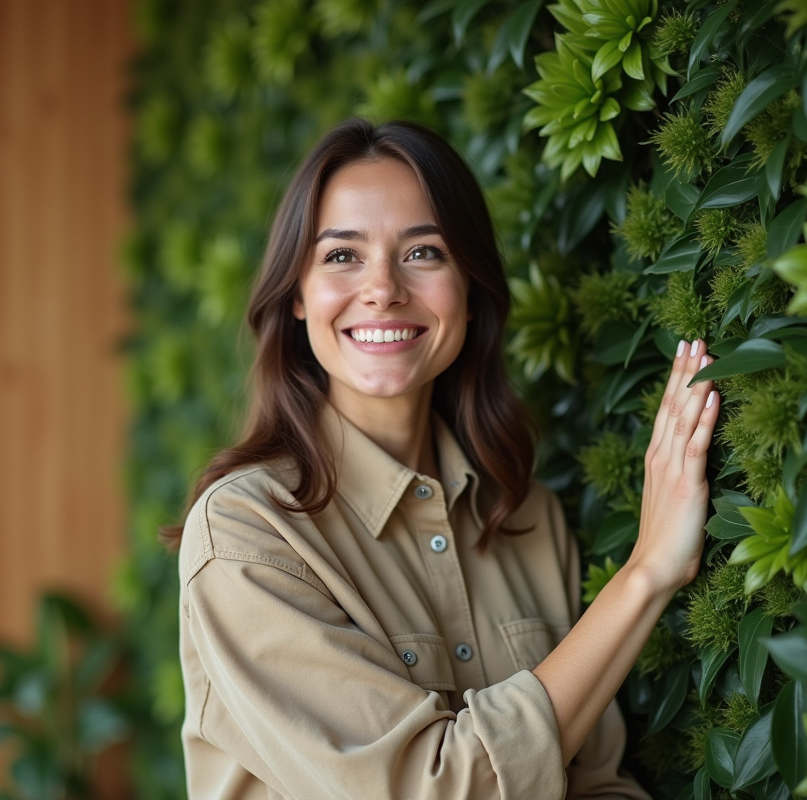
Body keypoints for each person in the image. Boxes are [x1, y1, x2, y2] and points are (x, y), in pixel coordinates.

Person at [168, 119, 720, 799]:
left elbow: (595, 783)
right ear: (297, 295)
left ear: (469, 285)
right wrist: (647, 573)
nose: (383, 289)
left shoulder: (529, 519)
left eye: (423, 252)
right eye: (342, 256)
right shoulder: (247, 537)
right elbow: (434, 789)